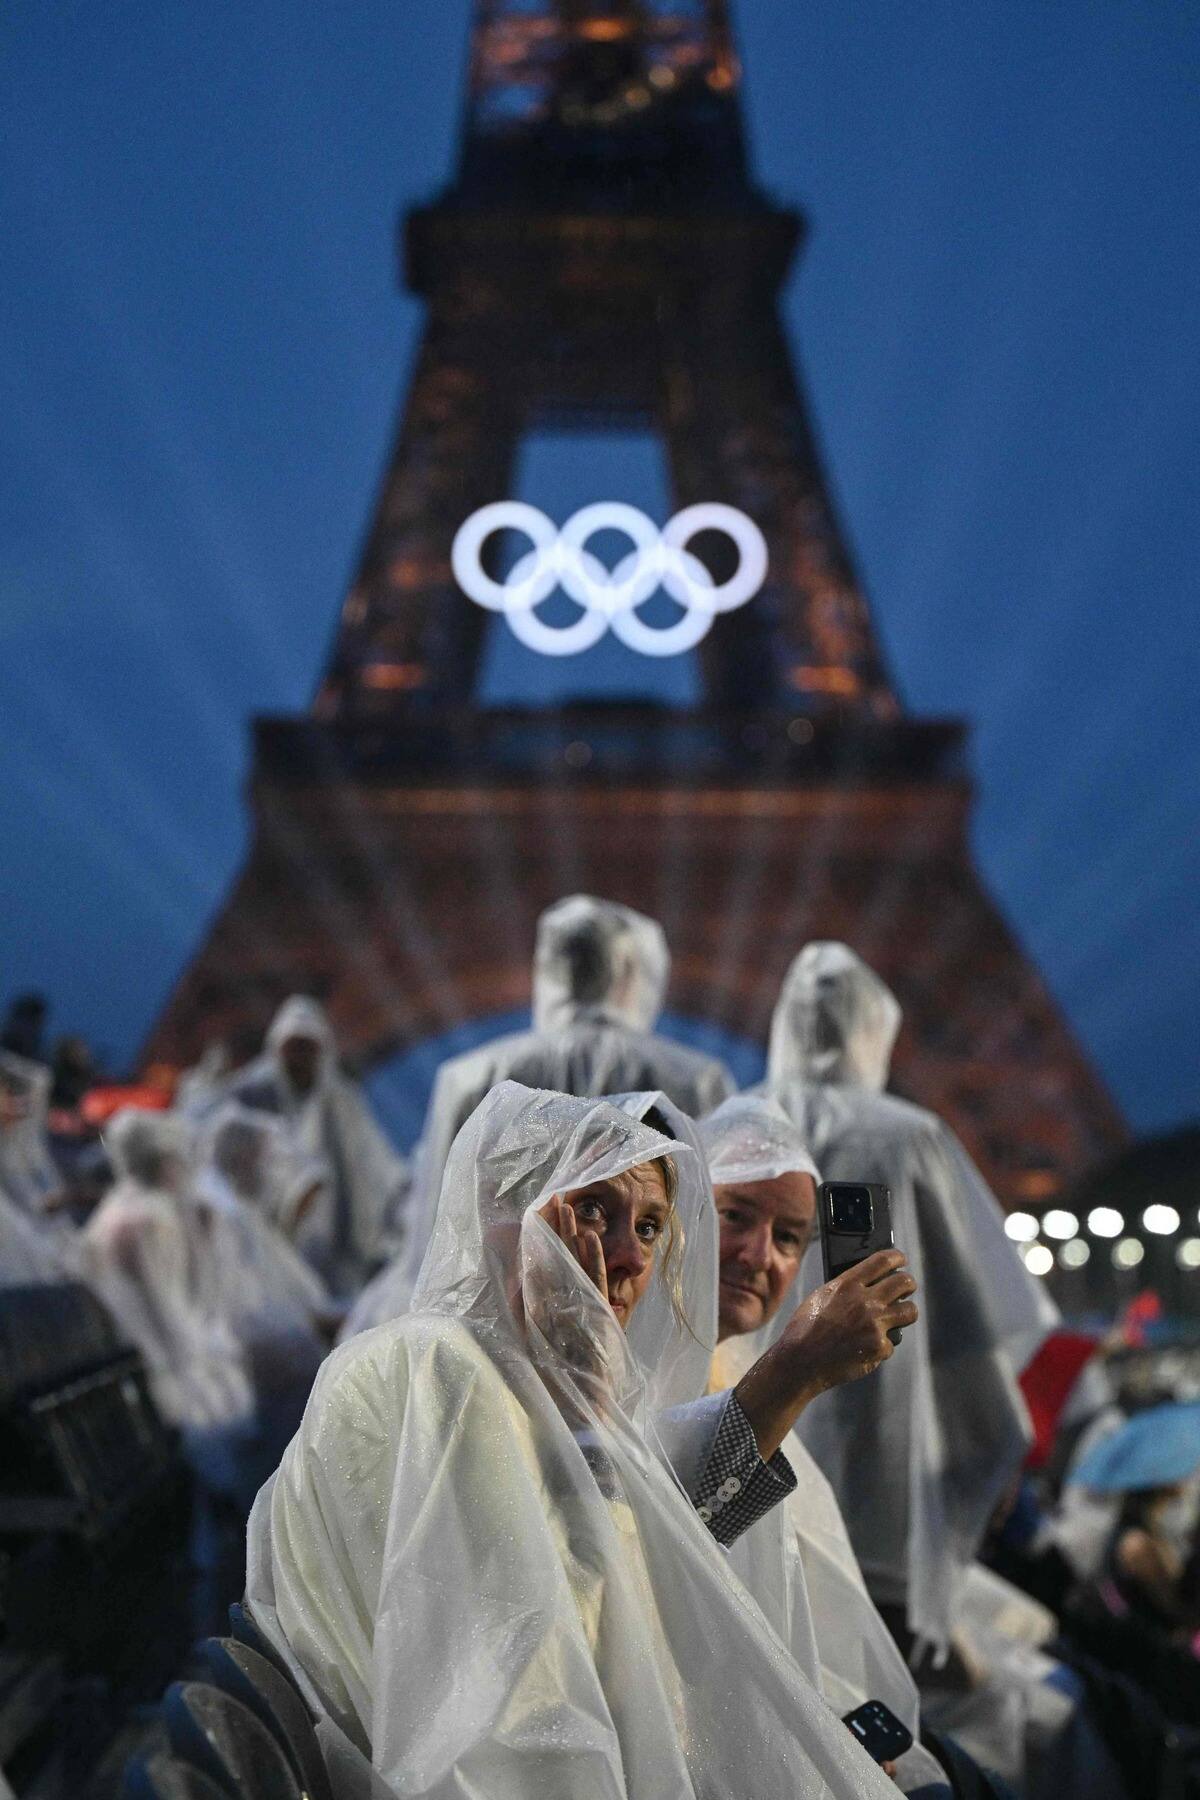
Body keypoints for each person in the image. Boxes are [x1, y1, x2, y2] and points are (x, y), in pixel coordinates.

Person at [247, 1083, 897, 1800]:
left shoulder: (528, 1391)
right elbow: (522, 1702)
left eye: (649, 1227)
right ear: (504, 1209)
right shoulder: (434, 1365)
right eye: (591, 1210)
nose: (629, 1257)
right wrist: (589, 1416)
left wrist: (588, 1408)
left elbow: (620, 1626)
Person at [761, 941, 1055, 1658]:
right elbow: (967, 1316)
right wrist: (988, 1439)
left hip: (752, 1446)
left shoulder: (732, 1123)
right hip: (883, 1465)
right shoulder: (909, 1136)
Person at [358, 895, 734, 1330]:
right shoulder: (697, 1080)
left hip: (499, 1321)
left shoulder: (471, 1076)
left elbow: (433, 1236)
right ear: (635, 973)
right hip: (643, 1316)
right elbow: (710, 1230)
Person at [79, 1109, 251, 1432]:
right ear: (161, 1163)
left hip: (152, 1376)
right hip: (166, 1386)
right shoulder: (148, 1219)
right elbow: (171, 1317)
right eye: (178, 1160)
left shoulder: (127, 1210)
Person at [221, 996, 407, 1294]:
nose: (299, 1059)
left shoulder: (341, 1101)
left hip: (339, 1250)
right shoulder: (250, 1097)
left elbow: (374, 1165)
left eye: (307, 1049)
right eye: (293, 1048)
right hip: (268, 1249)